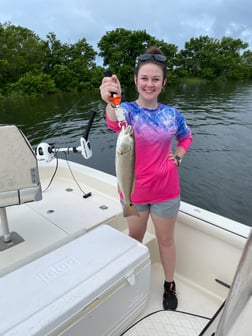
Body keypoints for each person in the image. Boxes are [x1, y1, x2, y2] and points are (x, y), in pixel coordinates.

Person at [99, 46, 192, 310]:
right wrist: (110, 100)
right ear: (135, 80)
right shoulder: (126, 111)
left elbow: (186, 136)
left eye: (155, 79)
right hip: (133, 193)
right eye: (144, 78)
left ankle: (169, 283)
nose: (149, 84)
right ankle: (131, 277)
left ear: (163, 82)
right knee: (134, 237)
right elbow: (114, 121)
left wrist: (179, 155)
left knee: (166, 241)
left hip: (166, 191)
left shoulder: (173, 114)